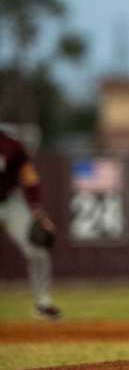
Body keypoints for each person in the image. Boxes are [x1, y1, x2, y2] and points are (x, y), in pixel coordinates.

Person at [0, 126, 62, 319]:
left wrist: (36, 210)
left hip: (10, 201)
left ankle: (43, 303)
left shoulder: (10, 144)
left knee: (37, 248)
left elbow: (28, 175)